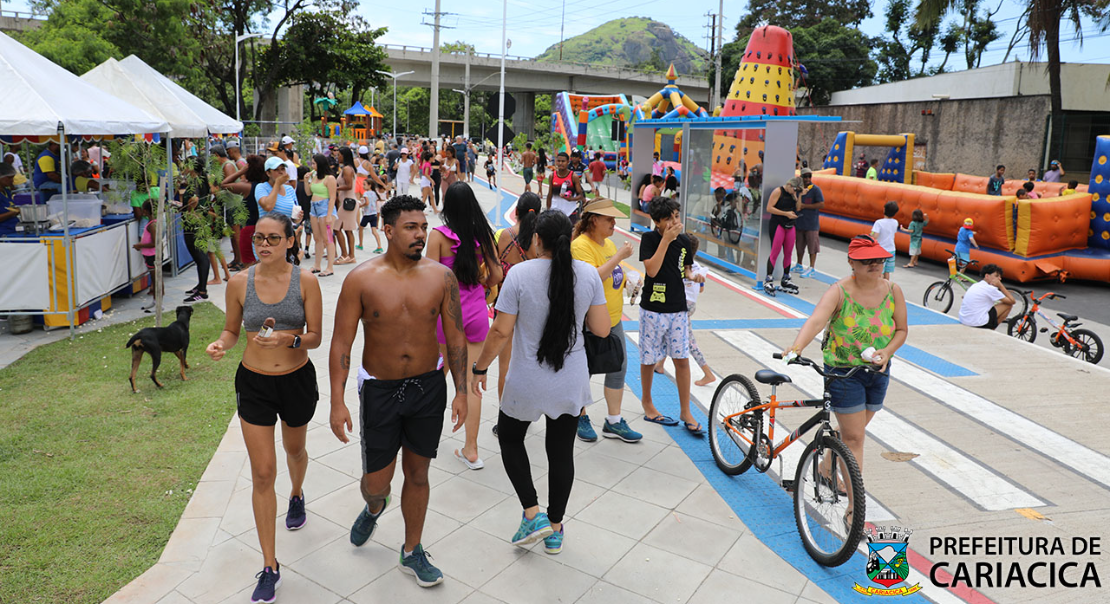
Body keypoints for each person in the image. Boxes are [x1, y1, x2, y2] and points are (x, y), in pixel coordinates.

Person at [328, 195, 468, 589]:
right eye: (411, 227)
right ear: (388, 230)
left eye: (423, 227)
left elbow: (455, 336)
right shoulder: (362, 278)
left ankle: (412, 549)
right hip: (380, 390)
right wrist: (338, 401)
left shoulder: (441, 277)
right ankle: (374, 507)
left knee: (418, 473)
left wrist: (462, 392)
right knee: (377, 482)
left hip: (427, 386)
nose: (420, 234)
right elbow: (341, 343)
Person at [471, 209, 610, 555]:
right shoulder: (588, 275)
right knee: (561, 452)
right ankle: (556, 527)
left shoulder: (519, 275)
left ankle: (532, 512)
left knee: (511, 437)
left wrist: (480, 367)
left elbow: (501, 330)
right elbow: (603, 329)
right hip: (570, 380)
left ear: (536, 240)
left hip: (526, 380)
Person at [205, 212, 323, 604]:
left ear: (290, 241)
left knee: (294, 451)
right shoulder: (239, 282)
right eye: (259, 239)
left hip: (296, 380)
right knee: (262, 472)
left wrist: (290, 340)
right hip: (253, 382)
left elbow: (315, 338)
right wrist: (221, 344)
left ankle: (296, 493)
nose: (265, 245)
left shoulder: (304, 281)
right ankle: (270, 566)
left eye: (273, 238)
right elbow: (232, 329)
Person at [782, 234, 907, 506]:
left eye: (878, 259)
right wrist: (797, 347)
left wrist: (887, 352)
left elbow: (901, 330)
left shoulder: (893, 290)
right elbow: (817, 320)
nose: (874, 265)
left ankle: (826, 468)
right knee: (854, 439)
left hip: (878, 371)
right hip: (842, 372)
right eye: (866, 261)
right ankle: (854, 508)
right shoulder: (839, 291)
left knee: (854, 429)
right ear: (852, 262)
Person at [427, 182, 503, 469]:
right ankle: (471, 449)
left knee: (436, 378)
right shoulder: (482, 235)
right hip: (475, 313)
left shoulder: (437, 237)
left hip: (445, 315)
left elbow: (428, 278)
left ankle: (427, 438)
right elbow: (496, 274)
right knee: (473, 383)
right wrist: (480, 285)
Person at [570, 199, 643, 443]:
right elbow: (591, 277)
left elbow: (615, 274)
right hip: (587, 322)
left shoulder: (609, 244)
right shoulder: (580, 246)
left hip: (613, 319)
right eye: (609, 219)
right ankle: (579, 415)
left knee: (618, 367)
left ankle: (613, 421)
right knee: (584, 370)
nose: (614, 223)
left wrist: (631, 279)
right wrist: (620, 255)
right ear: (593, 220)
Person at [638, 197, 704, 434]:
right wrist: (666, 239)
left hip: (678, 309)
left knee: (682, 359)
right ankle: (647, 402)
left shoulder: (684, 241)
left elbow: (685, 270)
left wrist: (693, 277)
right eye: (669, 218)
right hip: (653, 310)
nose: (675, 221)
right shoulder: (649, 239)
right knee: (648, 359)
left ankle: (685, 410)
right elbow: (652, 270)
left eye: (677, 216)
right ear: (656, 221)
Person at [492, 193, 541, 401]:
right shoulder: (539, 241)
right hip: (532, 309)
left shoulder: (501, 235)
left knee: (505, 367)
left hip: (504, 308)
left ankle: (505, 416)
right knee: (531, 364)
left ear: (516, 212)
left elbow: (494, 273)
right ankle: (526, 410)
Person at [654, 236, 715, 386]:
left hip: (680, 305)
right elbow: (701, 289)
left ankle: (707, 373)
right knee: (670, 332)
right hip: (691, 305)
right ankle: (660, 365)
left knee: (688, 340)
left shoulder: (678, 266)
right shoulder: (698, 267)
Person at [181, 157, 214, 303]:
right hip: (199, 221)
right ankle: (201, 285)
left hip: (194, 223)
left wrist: (188, 210)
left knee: (200, 256)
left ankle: (202, 291)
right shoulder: (201, 180)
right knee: (199, 256)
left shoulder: (195, 183)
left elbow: (194, 201)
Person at [763, 177, 802, 297]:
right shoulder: (778, 191)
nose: (794, 192)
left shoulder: (794, 194)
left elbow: (798, 208)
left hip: (790, 225)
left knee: (789, 252)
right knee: (775, 252)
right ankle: (769, 278)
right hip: (778, 224)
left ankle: (786, 277)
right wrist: (786, 214)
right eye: (794, 189)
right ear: (789, 185)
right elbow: (769, 208)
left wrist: (799, 196)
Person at [304, 154, 338, 278]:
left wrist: (329, 215)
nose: (312, 166)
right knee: (317, 238)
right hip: (314, 208)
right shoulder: (313, 176)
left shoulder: (330, 178)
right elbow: (308, 192)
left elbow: (333, 197)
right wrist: (306, 180)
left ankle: (330, 267)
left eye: (314, 163)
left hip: (325, 209)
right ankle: (317, 265)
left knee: (328, 238)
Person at [958, 263, 1015, 330]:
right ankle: (992, 329)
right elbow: (1012, 301)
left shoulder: (976, 285)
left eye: (1000, 276)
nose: (999, 278)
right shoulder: (990, 289)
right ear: (987, 276)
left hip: (963, 319)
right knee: (1008, 305)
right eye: (996, 276)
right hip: (976, 322)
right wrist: (1001, 286)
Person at [130, 200, 163, 307]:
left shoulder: (152, 225)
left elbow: (154, 243)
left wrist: (140, 246)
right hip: (151, 255)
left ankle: (158, 303)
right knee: (157, 278)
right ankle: (156, 301)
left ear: (145, 211)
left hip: (152, 255)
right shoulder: (153, 223)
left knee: (156, 279)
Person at [792, 168, 824, 278]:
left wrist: (806, 206)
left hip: (811, 223)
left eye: (809, 176)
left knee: (812, 246)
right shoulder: (798, 190)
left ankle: (811, 267)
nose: (807, 179)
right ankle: (799, 264)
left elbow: (821, 204)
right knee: (799, 245)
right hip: (800, 222)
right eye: (805, 176)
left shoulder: (815, 190)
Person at [334, 147, 360, 265]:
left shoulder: (347, 169)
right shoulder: (347, 168)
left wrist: (335, 188)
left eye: (339, 155)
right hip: (346, 201)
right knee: (347, 230)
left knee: (337, 228)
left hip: (347, 203)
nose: (337, 157)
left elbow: (349, 186)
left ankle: (345, 254)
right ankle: (350, 255)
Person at [547, 152, 585, 221]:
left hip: (570, 212)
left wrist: (571, 199)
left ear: (568, 162)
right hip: (555, 212)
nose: (560, 163)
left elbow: (581, 196)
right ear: (556, 161)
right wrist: (548, 211)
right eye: (558, 161)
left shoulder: (573, 177)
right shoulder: (552, 176)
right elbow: (549, 195)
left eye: (563, 161)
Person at [870, 201, 899, 280]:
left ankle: (880, 290)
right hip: (891, 250)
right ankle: (887, 290)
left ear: (884, 210)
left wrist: (870, 235)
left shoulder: (879, 223)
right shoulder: (895, 222)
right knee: (887, 272)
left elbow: (875, 236)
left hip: (881, 250)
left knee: (880, 271)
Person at [358, 177, 384, 254]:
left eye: (364, 184)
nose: (363, 186)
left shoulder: (366, 193)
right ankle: (379, 246)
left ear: (369, 185)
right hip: (374, 214)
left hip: (367, 214)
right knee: (374, 231)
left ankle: (360, 244)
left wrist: (360, 206)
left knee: (361, 228)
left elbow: (367, 203)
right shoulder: (375, 193)